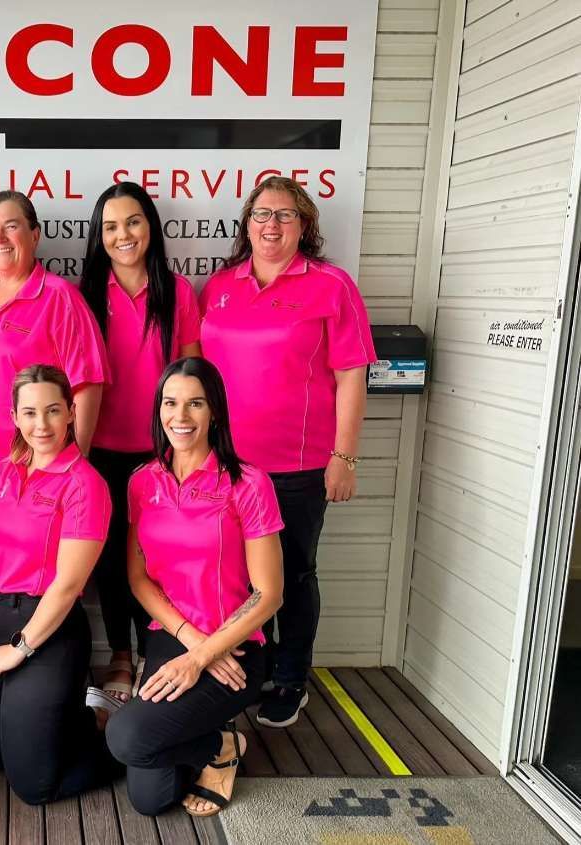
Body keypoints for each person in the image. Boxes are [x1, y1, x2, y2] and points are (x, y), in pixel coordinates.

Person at [199, 176, 376, 728]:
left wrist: (344, 457)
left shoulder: (331, 285)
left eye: (285, 215)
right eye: (261, 214)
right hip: (227, 466)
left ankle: (290, 677)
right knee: (239, 577)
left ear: (305, 226)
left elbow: (352, 376)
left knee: (293, 574)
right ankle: (252, 667)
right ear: (246, 224)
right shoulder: (220, 286)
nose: (271, 225)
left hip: (297, 467)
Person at [105, 357, 284, 818]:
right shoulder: (143, 483)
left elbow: (269, 593)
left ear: (215, 412)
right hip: (173, 637)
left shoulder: (248, 484)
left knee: (126, 736)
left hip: (237, 651)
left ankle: (216, 742)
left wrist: (204, 656)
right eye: (170, 403)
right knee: (151, 796)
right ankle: (221, 744)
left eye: (195, 404)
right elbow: (138, 578)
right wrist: (191, 644)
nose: (180, 417)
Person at [0, 365, 122, 805]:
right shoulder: (3, 470)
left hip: (47, 627)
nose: (42, 424)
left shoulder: (85, 484)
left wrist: (20, 649)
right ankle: (74, 715)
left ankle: (131, 744)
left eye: (53, 411)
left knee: (34, 785)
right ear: (14, 416)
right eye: (30, 412)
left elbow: (69, 585)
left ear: (72, 412)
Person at [79, 181, 202, 702]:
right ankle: (121, 655)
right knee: (109, 559)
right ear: (98, 236)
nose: (122, 234)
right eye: (110, 226)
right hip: (100, 450)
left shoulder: (177, 292)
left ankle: (161, 648)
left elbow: (194, 373)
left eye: (132, 222)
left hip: (162, 453)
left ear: (150, 226)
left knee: (158, 559)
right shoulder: (84, 293)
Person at [0, 192, 109, 524]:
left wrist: (74, 469)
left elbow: (87, 387)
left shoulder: (60, 298)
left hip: (36, 477)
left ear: (34, 234)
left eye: (10, 226)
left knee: (35, 573)